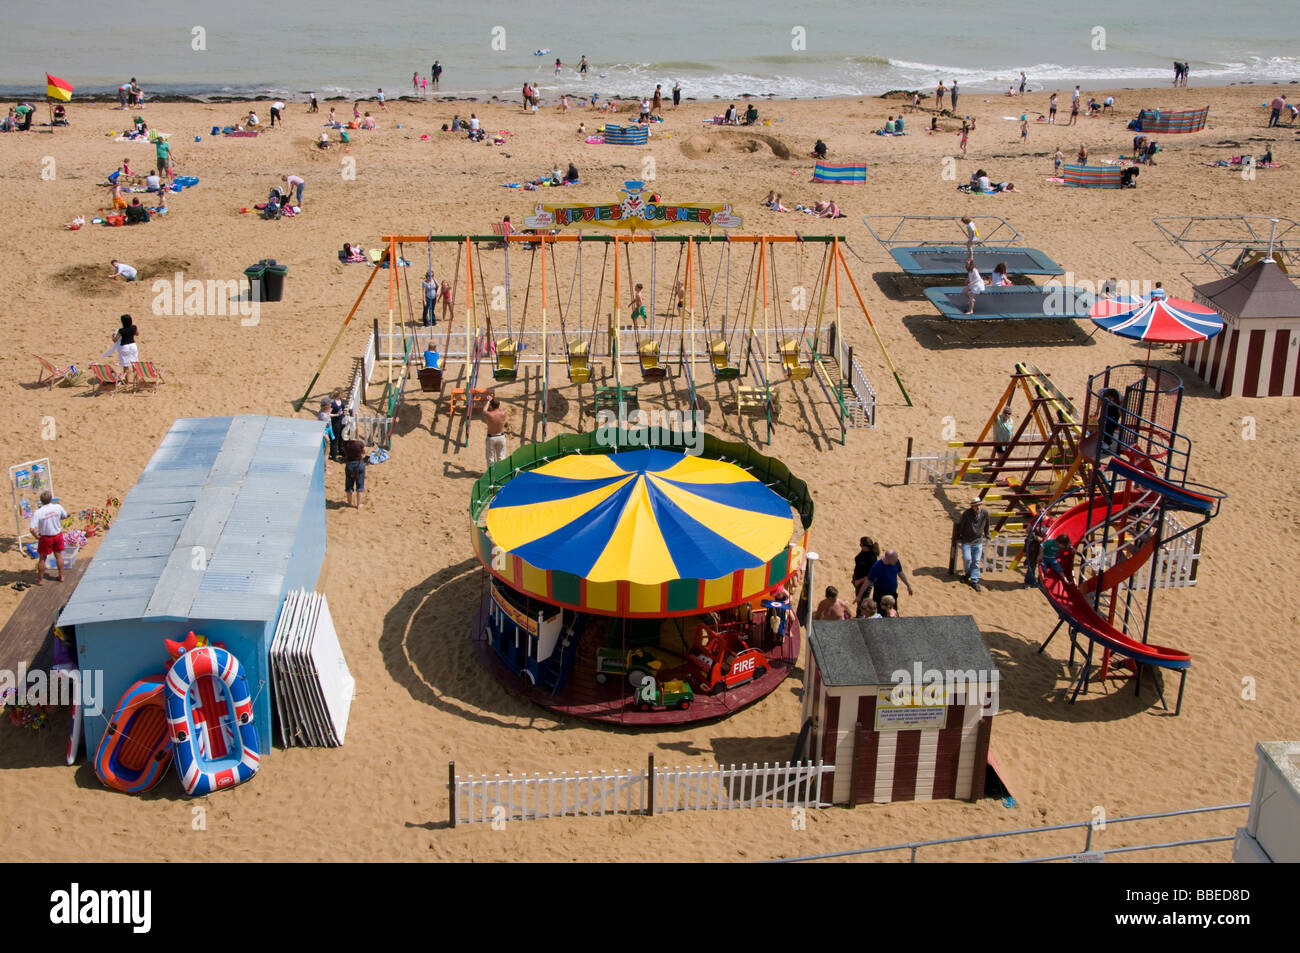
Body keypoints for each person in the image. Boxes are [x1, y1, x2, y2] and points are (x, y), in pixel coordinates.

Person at [30, 490, 68, 586]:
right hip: (57, 534)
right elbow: (65, 516)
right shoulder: (57, 507)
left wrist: (37, 537)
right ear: (51, 499)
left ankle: (40, 580)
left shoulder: (38, 512)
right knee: (58, 555)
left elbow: (32, 529)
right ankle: (61, 576)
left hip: (46, 537)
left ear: (41, 501)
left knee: (42, 558)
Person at [953, 497, 990, 591]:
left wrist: (987, 534)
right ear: (972, 506)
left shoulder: (985, 513)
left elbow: (987, 524)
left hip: (978, 540)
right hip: (967, 540)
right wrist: (959, 535)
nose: (978, 507)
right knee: (967, 558)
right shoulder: (967, 514)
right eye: (976, 505)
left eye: (979, 505)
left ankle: (974, 580)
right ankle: (968, 574)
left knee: (976, 561)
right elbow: (962, 524)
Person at [342, 425, 367, 508]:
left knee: (349, 485)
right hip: (359, 464)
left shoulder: (345, 444)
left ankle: (349, 502)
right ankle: (358, 504)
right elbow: (364, 452)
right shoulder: (359, 443)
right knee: (360, 486)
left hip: (349, 464)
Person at [851, 536, 880, 602]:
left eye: (861, 545)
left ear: (866, 546)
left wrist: (858, 581)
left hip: (864, 583)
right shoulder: (864, 551)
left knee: (862, 605)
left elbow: (870, 576)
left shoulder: (872, 558)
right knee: (859, 600)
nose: (860, 546)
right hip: (857, 580)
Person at [484, 397, 508, 467]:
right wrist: (494, 402)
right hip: (501, 436)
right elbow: (502, 408)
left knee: (490, 458)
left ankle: (492, 475)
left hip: (491, 437)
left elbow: (484, 410)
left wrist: (488, 401)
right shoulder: (504, 412)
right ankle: (501, 474)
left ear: (491, 406)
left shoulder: (490, 414)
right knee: (502, 457)